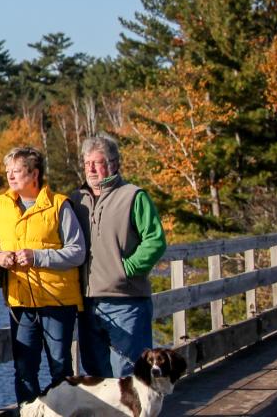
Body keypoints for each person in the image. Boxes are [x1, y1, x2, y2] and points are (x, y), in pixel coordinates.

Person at [0, 146, 87, 404]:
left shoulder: (59, 205)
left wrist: (37, 256)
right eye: (8, 171)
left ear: (34, 174)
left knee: (60, 368)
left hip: (58, 302)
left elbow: (77, 252)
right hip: (21, 303)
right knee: (24, 370)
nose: (10, 176)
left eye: (16, 171)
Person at [75, 133, 167, 378]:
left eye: (98, 162)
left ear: (114, 164)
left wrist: (126, 269)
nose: (91, 169)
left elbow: (155, 241)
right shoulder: (76, 200)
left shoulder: (133, 196)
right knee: (97, 376)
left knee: (128, 376)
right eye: (87, 163)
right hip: (87, 303)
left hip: (126, 303)